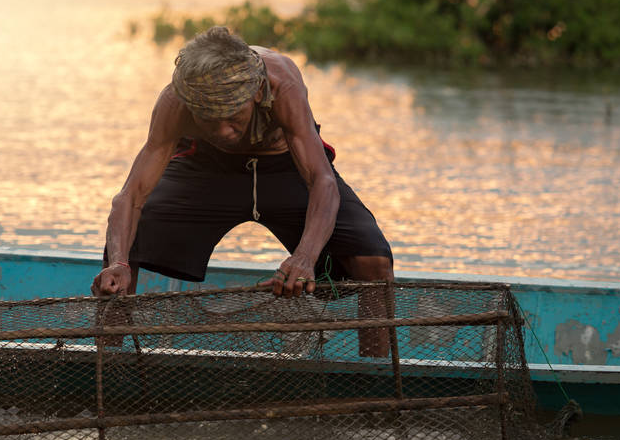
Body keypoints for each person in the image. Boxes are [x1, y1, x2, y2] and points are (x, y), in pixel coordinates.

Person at [91, 26, 394, 351]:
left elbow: (322, 180)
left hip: (283, 165)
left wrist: (304, 258)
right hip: (208, 167)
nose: (223, 130)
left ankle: (372, 373)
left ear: (255, 94)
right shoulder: (175, 101)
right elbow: (131, 195)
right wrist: (119, 263)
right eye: (209, 120)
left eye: (233, 116)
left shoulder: (282, 84)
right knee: (124, 243)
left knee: (373, 261)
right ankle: (108, 363)